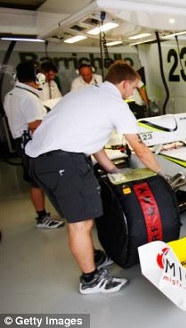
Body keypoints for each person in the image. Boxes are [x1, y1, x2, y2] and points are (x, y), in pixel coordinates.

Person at [26, 60, 162, 295]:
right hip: (65, 162)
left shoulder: (82, 95)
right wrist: (161, 179)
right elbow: (139, 147)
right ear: (125, 83)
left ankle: (93, 256)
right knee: (81, 223)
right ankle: (90, 280)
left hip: (40, 162)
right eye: (133, 88)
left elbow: (93, 142)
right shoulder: (115, 104)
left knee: (76, 216)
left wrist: (113, 171)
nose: (133, 93)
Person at [3, 61, 65, 229]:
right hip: (32, 144)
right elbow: (36, 125)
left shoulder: (11, 95)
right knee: (41, 181)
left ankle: (42, 215)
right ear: (38, 76)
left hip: (21, 143)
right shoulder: (29, 98)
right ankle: (43, 218)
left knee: (35, 181)